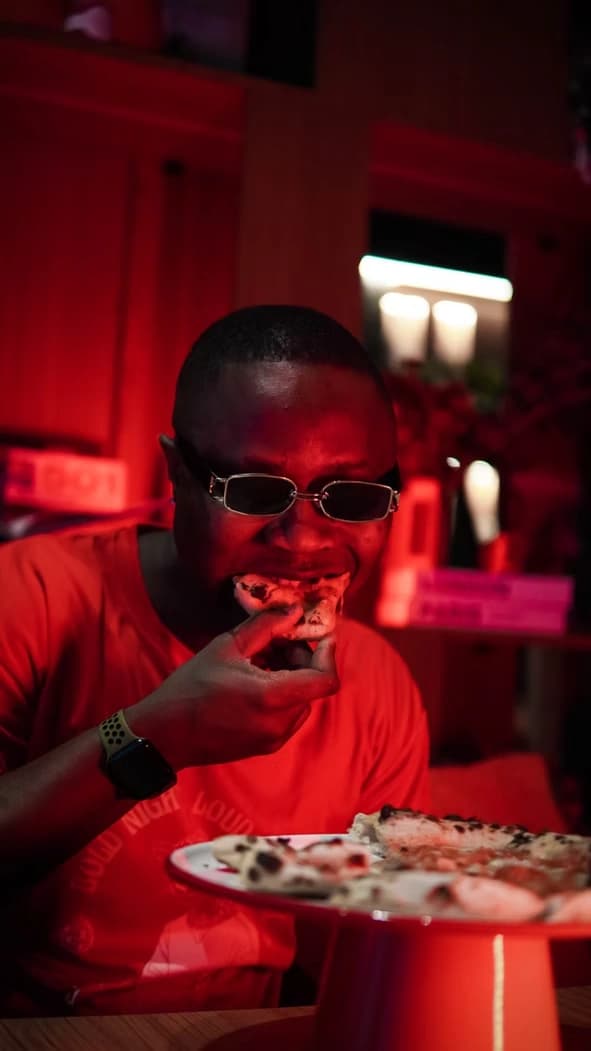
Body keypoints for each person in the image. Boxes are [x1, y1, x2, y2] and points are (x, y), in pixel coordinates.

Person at [0, 305, 430, 1016]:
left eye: (351, 497)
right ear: (176, 472)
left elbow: (370, 950)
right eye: (255, 489)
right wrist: (156, 736)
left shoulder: (378, 685)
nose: (302, 539)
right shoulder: (30, 598)